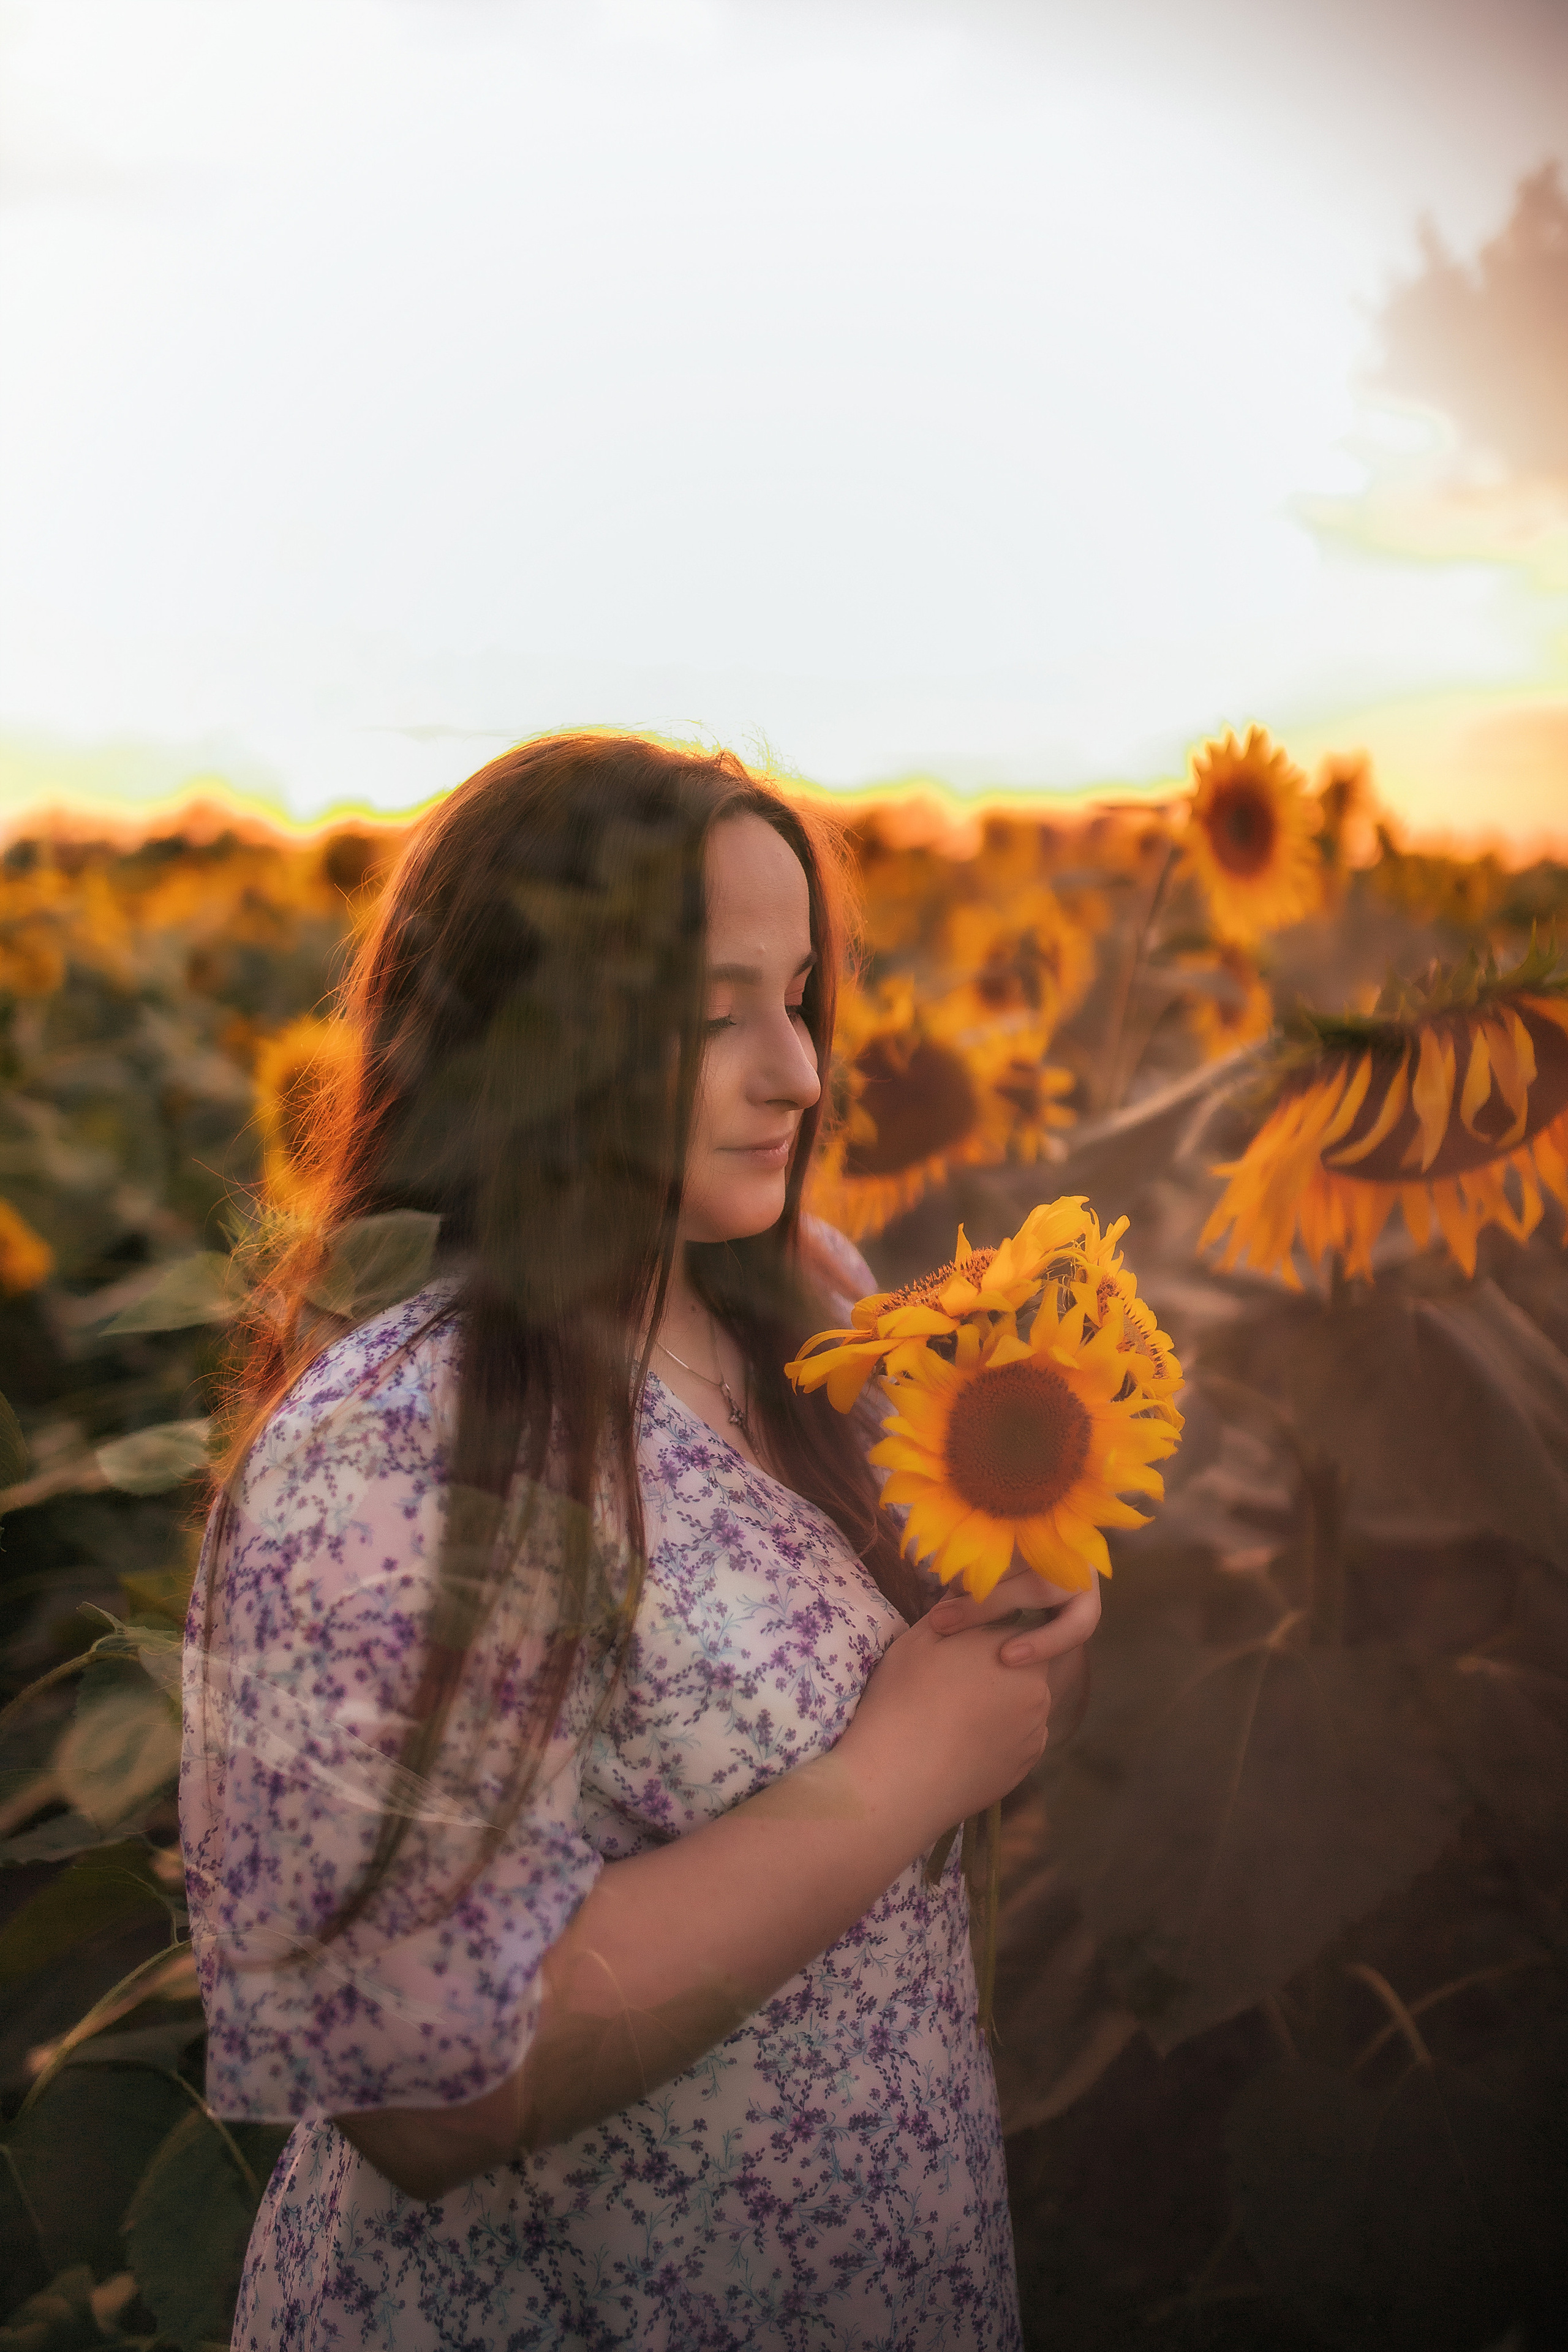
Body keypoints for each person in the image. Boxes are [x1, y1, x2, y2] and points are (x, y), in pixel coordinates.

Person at [181, 732, 1099, 2352]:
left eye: (800, 998)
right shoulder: (395, 1442)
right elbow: (420, 2077)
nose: (803, 1076)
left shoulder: (802, 1297)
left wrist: (1014, 1628)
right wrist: (899, 1776)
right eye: (707, 1020)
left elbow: (918, 1737)